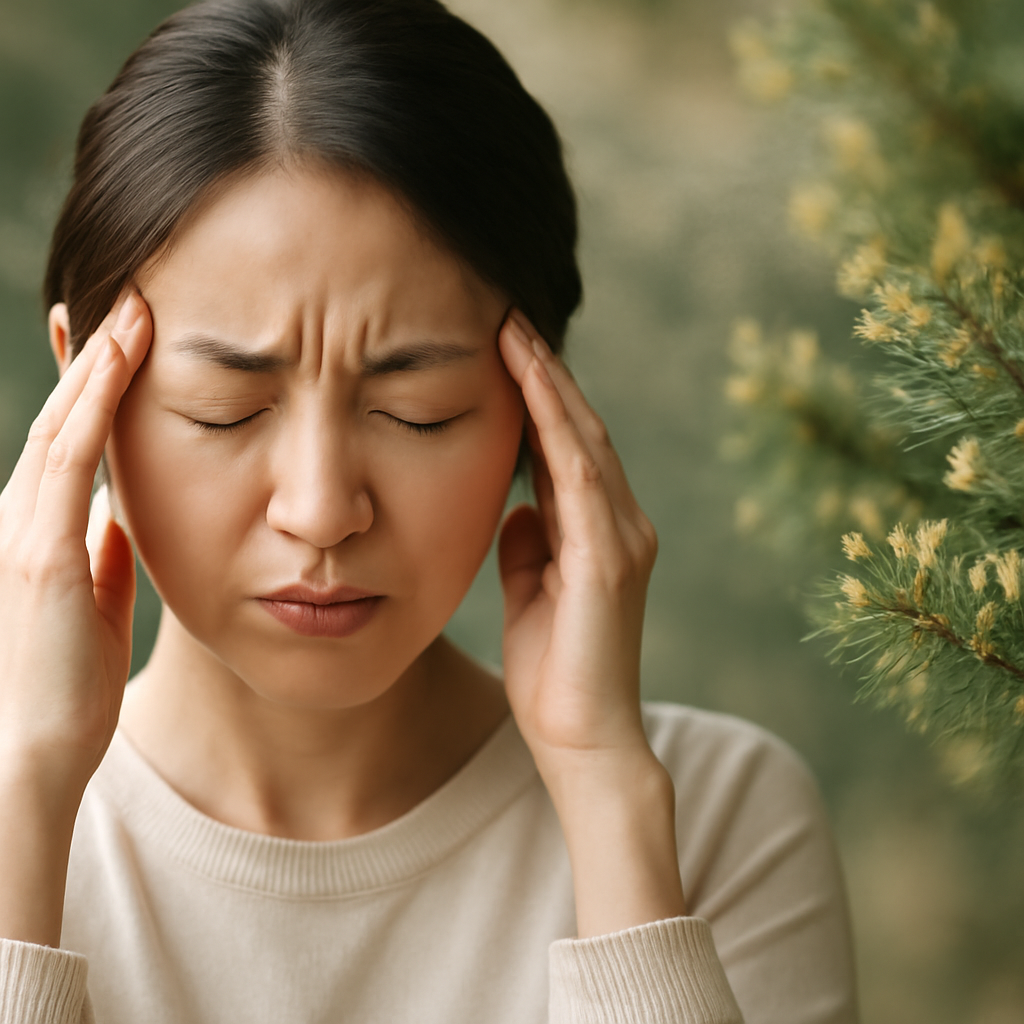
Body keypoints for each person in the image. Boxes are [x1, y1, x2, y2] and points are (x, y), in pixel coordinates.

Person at [0, 1, 858, 1021]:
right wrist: (26, 793)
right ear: (80, 398)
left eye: (417, 412)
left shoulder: (718, 818)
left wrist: (607, 801)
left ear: (539, 416)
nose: (321, 511)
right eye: (225, 410)